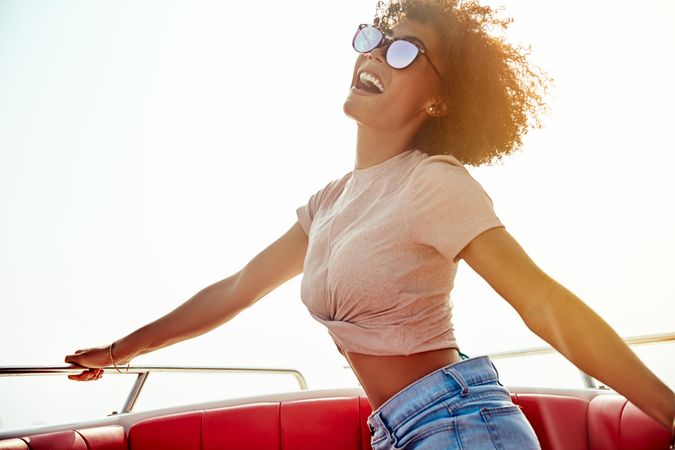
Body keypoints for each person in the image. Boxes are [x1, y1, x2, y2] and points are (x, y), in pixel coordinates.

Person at [66, 0, 675, 448]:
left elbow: (542, 301)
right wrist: (122, 350)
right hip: (397, 431)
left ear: (438, 101)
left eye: (407, 51)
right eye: (376, 39)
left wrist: (669, 412)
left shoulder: (433, 181)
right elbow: (235, 289)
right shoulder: (328, 203)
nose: (378, 54)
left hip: (458, 423)